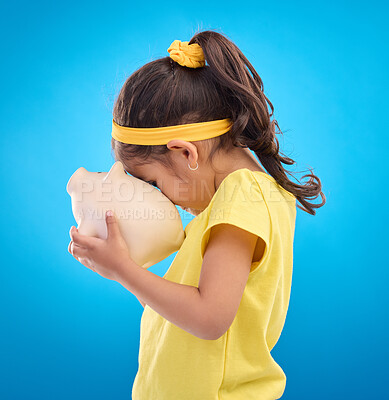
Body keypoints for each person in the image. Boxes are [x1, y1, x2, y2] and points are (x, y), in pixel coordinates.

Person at [69, 29, 326, 399]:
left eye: (155, 183)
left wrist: (124, 270)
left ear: (186, 153)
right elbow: (182, 309)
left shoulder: (244, 198)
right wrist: (123, 269)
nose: (166, 201)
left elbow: (208, 319)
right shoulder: (231, 203)